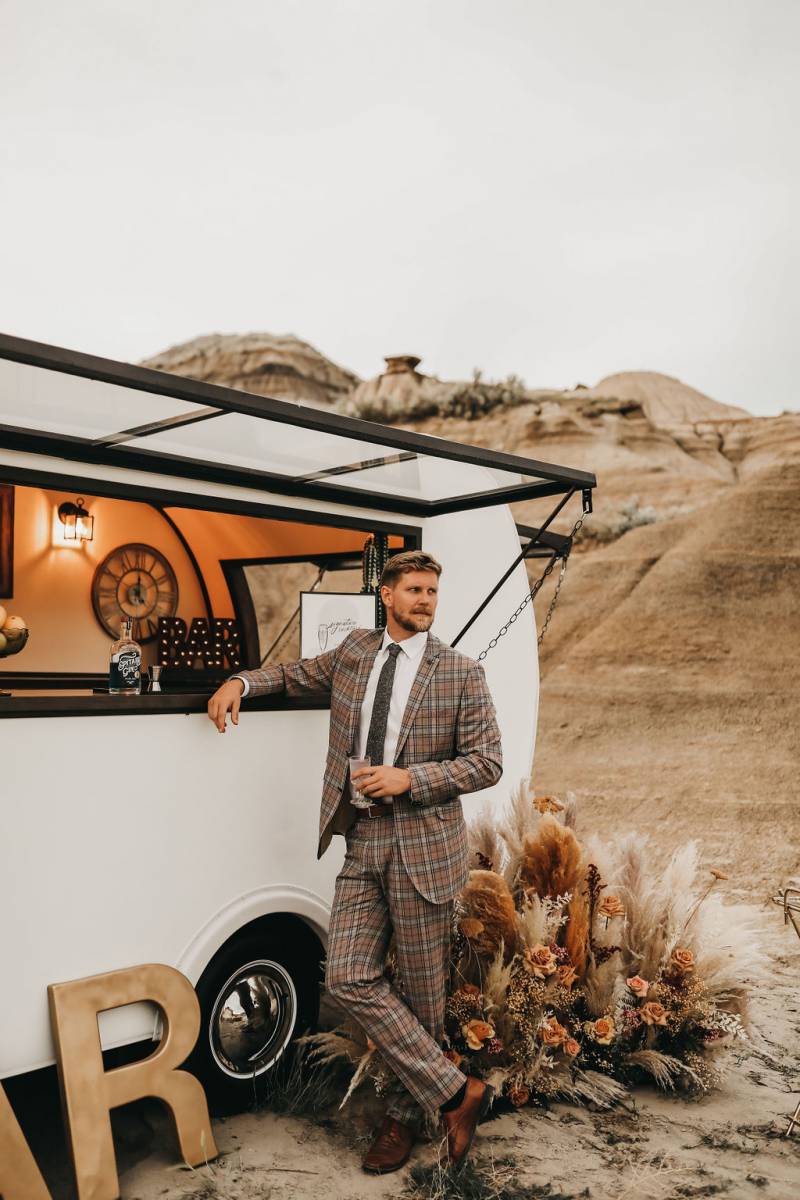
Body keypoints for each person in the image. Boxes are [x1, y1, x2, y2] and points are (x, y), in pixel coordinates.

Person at [207, 550, 502, 1173]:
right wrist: (240, 681)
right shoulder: (353, 655)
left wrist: (409, 779)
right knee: (346, 977)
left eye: (432, 591)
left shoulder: (461, 673)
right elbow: (290, 675)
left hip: (425, 849)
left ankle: (405, 1120)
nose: (426, 600)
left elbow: (486, 762)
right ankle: (456, 1093)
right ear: (387, 595)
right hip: (362, 841)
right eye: (414, 590)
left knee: (424, 1000)